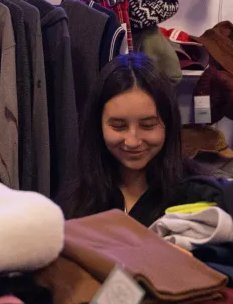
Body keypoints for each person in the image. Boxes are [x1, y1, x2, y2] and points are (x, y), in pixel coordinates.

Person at [61, 53, 188, 225]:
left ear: (169, 123)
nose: (132, 141)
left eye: (148, 125)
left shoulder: (197, 197)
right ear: (98, 126)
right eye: (119, 126)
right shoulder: (75, 202)